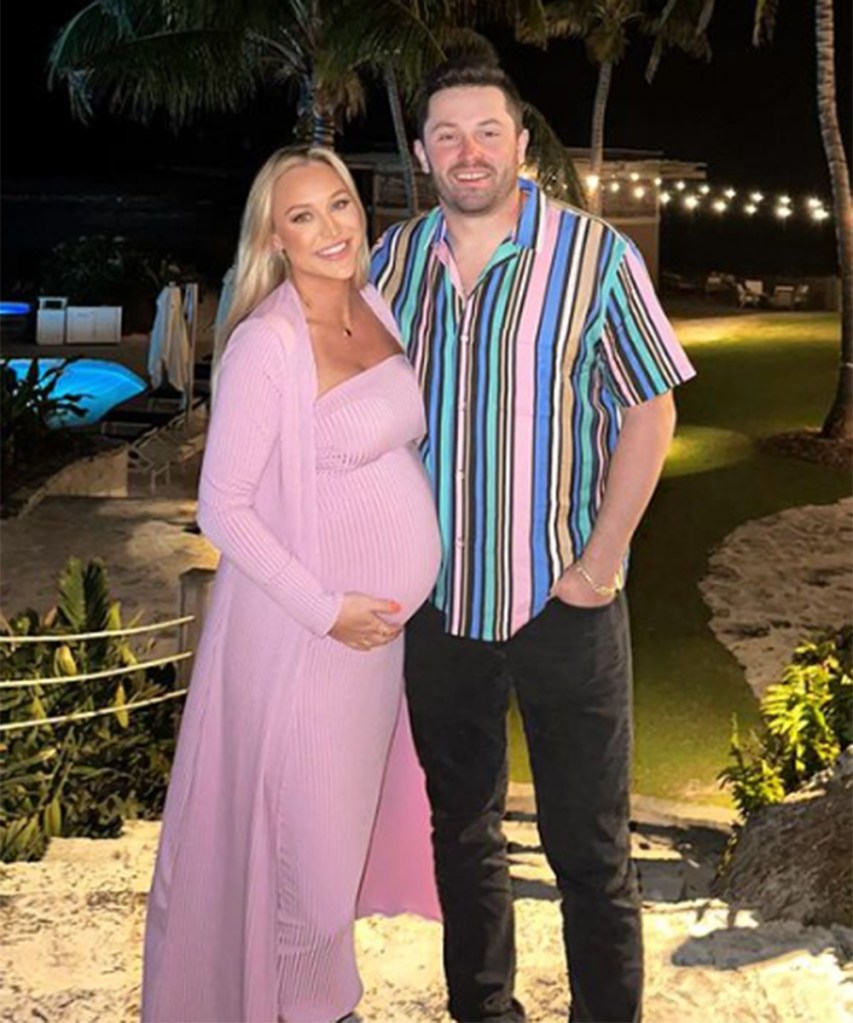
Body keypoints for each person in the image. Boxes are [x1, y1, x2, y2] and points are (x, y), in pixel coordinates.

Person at [370, 62, 696, 1023]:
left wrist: (598, 566)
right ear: (425, 152)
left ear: (519, 143)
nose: (467, 152)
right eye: (446, 135)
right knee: (460, 834)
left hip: (565, 602)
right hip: (440, 608)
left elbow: (651, 410)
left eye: (486, 132)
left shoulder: (593, 255)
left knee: (590, 851)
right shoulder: (393, 261)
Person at [142, 146, 442, 1023]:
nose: (330, 228)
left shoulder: (372, 302)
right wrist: (326, 610)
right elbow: (223, 508)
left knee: (336, 844)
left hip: (369, 649)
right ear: (273, 235)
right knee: (302, 862)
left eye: (340, 205)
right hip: (306, 642)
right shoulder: (267, 344)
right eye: (303, 216)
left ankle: (318, 1002)